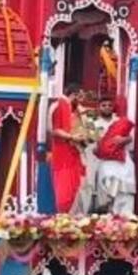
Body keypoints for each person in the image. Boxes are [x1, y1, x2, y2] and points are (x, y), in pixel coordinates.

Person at [47, 80, 88, 214]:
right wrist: (72, 137)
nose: (82, 101)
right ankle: (65, 218)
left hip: (73, 154)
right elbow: (55, 130)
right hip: (63, 154)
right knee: (65, 192)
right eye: (81, 97)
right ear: (74, 95)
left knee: (75, 188)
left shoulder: (72, 109)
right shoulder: (60, 105)